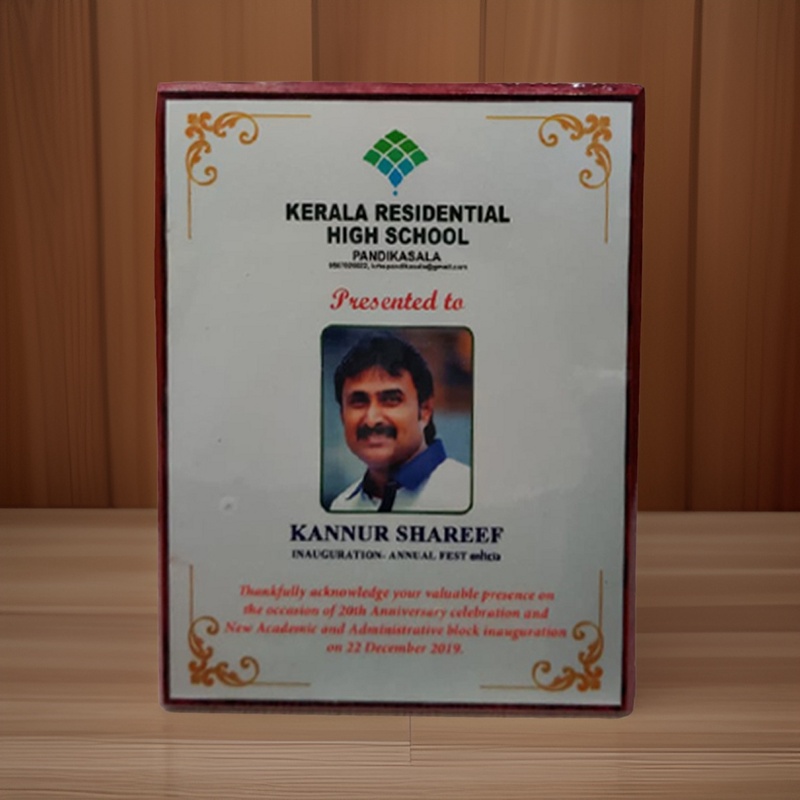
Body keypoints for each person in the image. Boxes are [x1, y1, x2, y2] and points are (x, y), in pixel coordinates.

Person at [329, 333, 470, 512]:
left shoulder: (465, 494)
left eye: (391, 400)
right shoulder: (342, 505)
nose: (372, 419)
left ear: (425, 410)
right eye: (358, 401)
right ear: (342, 415)